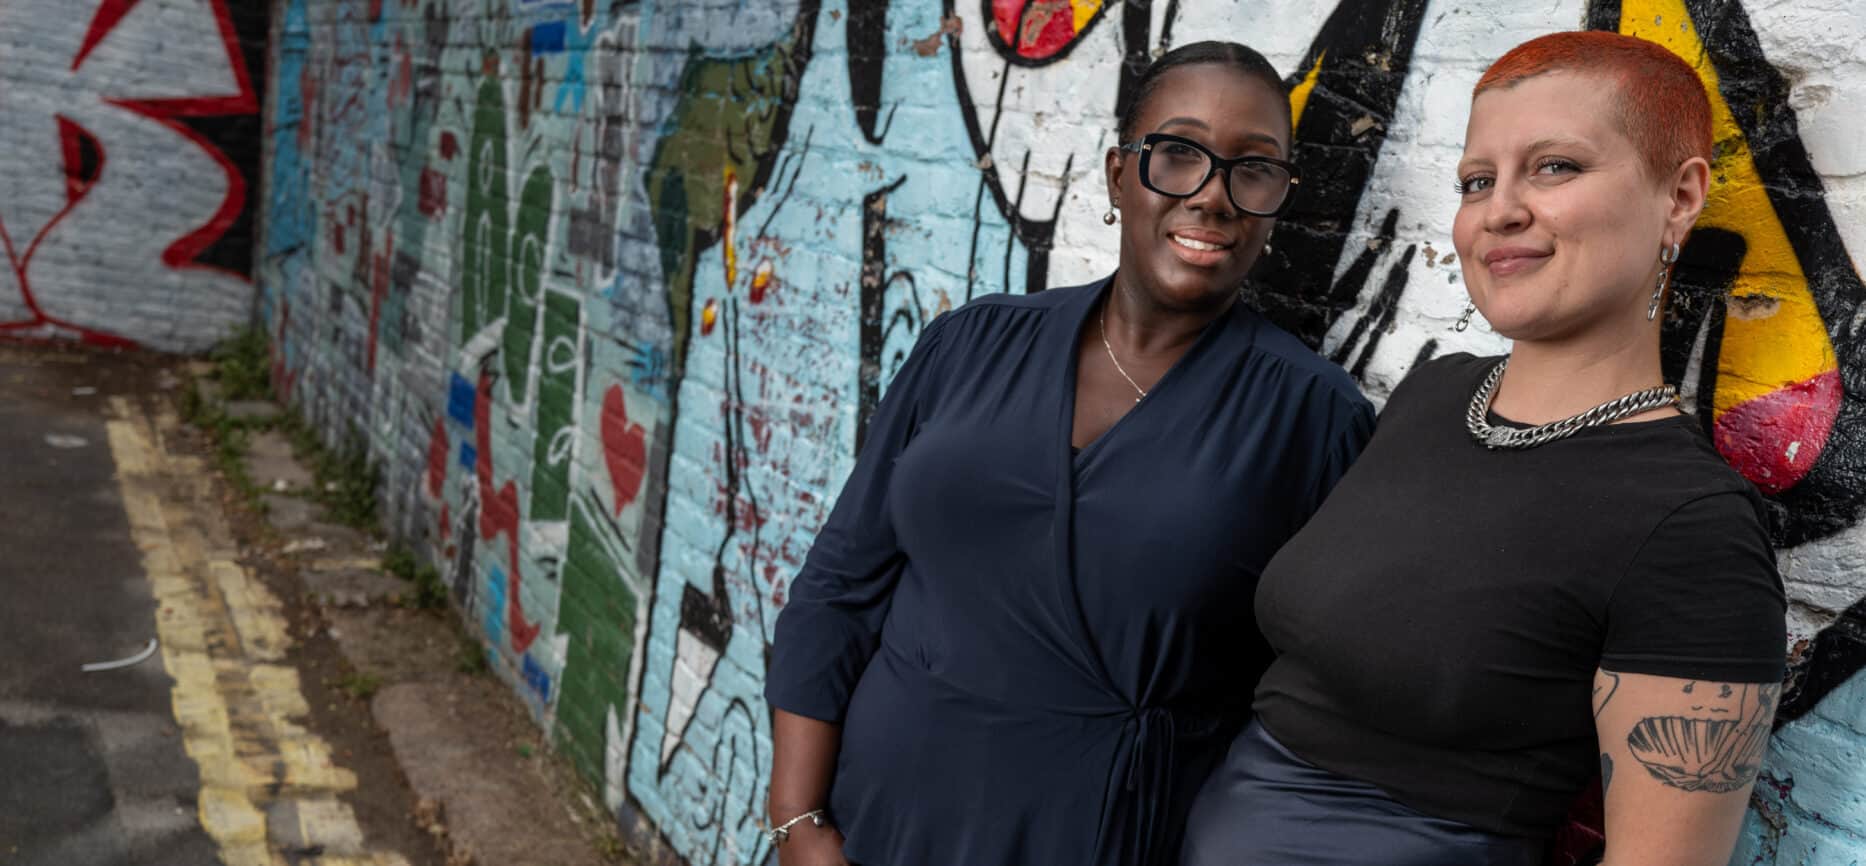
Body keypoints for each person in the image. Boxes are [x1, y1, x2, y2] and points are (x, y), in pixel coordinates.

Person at [1180, 31, 1787, 866]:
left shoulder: (1692, 529)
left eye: (1555, 167)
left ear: (1679, 196)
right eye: (1476, 180)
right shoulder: (1435, 397)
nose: (1499, 209)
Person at [761, 41, 1374, 866]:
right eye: (1179, 154)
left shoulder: (1311, 417)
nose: (1213, 195)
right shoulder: (971, 344)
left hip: (1097, 836)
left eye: (1253, 169)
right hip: (870, 820)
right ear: (1120, 175)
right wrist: (797, 815)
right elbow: (841, 582)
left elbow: (1306, 699)